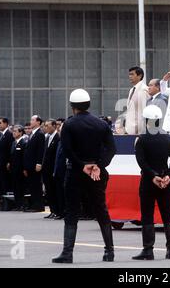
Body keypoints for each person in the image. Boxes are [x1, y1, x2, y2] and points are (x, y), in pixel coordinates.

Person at [53, 89, 116, 264]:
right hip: (97, 173)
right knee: (101, 210)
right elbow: (112, 149)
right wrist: (98, 165)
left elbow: (67, 150)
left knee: (72, 212)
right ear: (88, 104)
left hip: (75, 172)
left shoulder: (69, 124)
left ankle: (67, 253)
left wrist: (82, 165)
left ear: (72, 106)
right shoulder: (101, 124)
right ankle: (109, 251)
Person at [132, 105, 170, 260]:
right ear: (159, 120)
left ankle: (148, 250)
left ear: (146, 120)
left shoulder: (141, 139)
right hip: (165, 181)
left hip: (148, 180)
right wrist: (169, 176)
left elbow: (141, 162)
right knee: (167, 213)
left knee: (147, 214)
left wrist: (153, 175)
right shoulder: (168, 138)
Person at [23, 115, 45, 212]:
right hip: (30, 165)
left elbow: (40, 150)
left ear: (38, 122)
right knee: (32, 185)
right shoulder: (33, 134)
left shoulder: (39, 134)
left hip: (35, 165)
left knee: (36, 185)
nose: (30, 121)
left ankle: (39, 206)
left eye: (32, 120)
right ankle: (34, 205)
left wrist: (39, 163)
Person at [42, 119, 60, 219]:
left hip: (53, 169)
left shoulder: (57, 137)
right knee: (49, 191)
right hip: (46, 169)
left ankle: (58, 211)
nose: (46, 127)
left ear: (54, 126)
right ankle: (52, 210)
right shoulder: (48, 137)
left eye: (48, 125)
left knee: (54, 191)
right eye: (45, 126)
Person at [7, 125, 27, 211]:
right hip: (13, 169)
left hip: (20, 169)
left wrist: (24, 169)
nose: (13, 133)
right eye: (13, 131)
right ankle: (18, 204)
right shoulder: (14, 143)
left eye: (15, 131)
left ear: (20, 132)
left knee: (21, 187)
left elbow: (24, 157)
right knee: (15, 187)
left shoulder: (23, 142)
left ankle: (22, 204)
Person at [125, 66, 149, 135]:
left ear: (140, 76)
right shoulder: (132, 90)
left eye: (132, 74)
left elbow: (144, 112)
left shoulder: (144, 90)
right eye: (129, 74)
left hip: (138, 131)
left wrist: (140, 131)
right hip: (130, 129)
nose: (130, 76)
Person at [0, 117, 14, 196]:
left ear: (5, 124)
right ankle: (2, 201)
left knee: (6, 183)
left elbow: (10, 150)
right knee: (0, 183)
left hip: (5, 164)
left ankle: (7, 203)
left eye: (0, 123)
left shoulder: (9, 135)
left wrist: (9, 162)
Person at [53, 121, 67, 220]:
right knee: (59, 193)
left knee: (65, 193)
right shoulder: (60, 141)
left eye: (60, 129)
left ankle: (65, 212)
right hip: (58, 171)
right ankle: (61, 212)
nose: (59, 131)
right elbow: (57, 158)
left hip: (65, 172)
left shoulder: (67, 141)